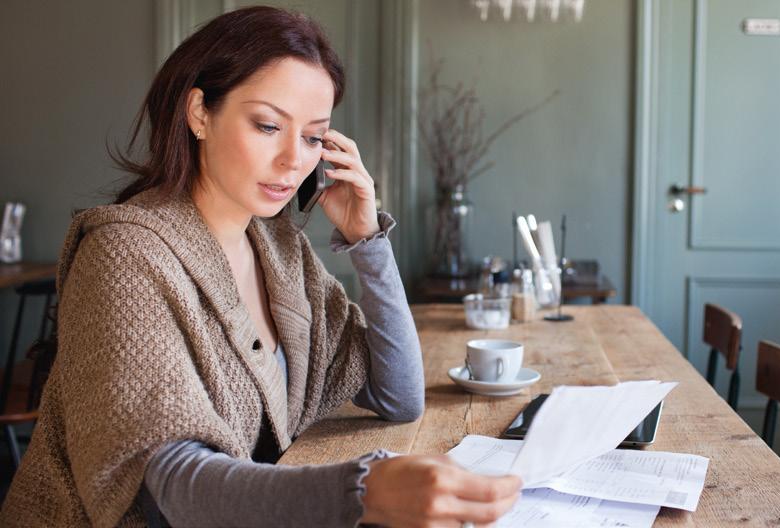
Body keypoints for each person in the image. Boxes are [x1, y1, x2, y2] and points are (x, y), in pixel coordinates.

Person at [0, 6, 521, 527]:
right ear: (200, 113)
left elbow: (397, 394)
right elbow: (169, 491)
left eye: (314, 137)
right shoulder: (124, 256)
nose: (294, 160)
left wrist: (367, 240)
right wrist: (361, 491)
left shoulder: (277, 246)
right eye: (268, 125)